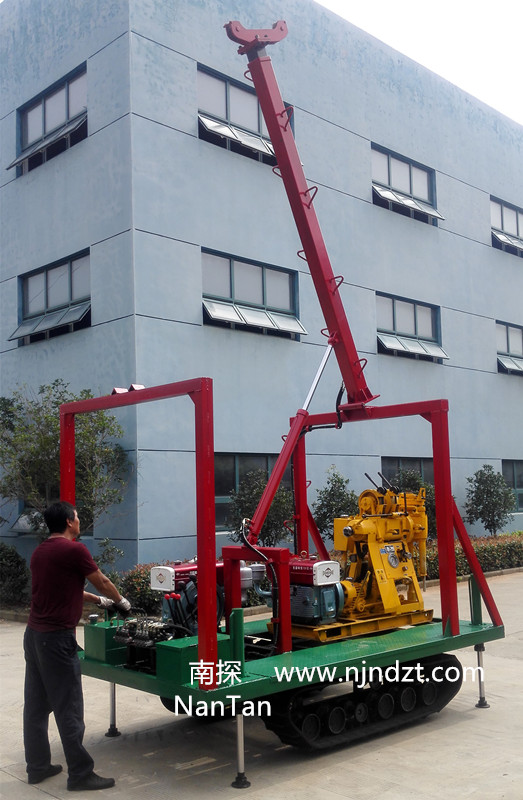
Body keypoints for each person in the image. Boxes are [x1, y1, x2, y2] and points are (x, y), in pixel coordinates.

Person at [23, 500, 131, 791]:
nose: (80, 520)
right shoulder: (74, 550)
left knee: (35, 707)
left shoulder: (41, 552)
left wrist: (98, 601)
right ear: (69, 521)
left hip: (34, 637)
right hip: (57, 639)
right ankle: (81, 774)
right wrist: (121, 602)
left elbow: (66, 586)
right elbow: (102, 580)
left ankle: (37, 767)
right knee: (68, 707)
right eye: (78, 516)